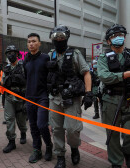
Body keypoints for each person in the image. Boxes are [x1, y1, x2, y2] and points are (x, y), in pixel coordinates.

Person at [47, 25, 92, 168]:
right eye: (55, 38)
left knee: (72, 129)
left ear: (66, 38)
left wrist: (89, 92)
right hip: (55, 98)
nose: (58, 40)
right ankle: (60, 156)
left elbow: (86, 72)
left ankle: (74, 148)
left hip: (72, 98)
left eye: (61, 37)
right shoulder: (50, 55)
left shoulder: (75, 53)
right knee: (56, 128)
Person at [97, 24, 130, 168]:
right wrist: (125, 75)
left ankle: (128, 154)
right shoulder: (104, 57)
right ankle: (116, 162)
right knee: (113, 135)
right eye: (114, 36)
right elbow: (105, 76)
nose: (118, 38)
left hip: (129, 99)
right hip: (110, 100)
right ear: (109, 41)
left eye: (121, 35)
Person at [23, 33, 53, 163]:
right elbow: (26, 78)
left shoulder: (45, 58)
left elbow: (50, 77)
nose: (31, 44)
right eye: (29, 41)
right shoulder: (26, 60)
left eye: (34, 41)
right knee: (33, 125)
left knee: (42, 125)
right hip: (29, 97)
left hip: (42, 97)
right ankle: (37, 150)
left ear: (39, 43)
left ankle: (49, 145)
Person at [0, 45, 27, 153]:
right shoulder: (6, 68)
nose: (11, 55)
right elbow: (2, 81)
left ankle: (23, 133)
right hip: (9, 97)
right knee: (9, 119)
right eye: (8, 53)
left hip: (21, 97)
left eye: (13, 52)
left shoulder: (23, 66)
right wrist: (1, 82)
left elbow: (27, 81)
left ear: (17, 54)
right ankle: (11, 141)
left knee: (21, 120)